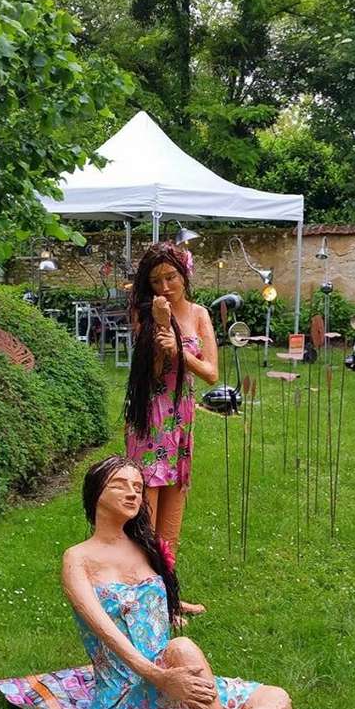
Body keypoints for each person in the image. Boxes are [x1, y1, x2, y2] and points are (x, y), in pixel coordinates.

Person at [61, 455, 293, 709]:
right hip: (125, 701)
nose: (133, 493)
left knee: (276, 700)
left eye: (138, 487)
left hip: (172, 684)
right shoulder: (78, 558)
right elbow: (104, 627)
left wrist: (178, 609)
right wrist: (160, 676)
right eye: (120, 485)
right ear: (95, 493)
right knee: (182, 647)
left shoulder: (144, 547)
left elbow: (148, 600)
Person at [123, 242, 218, 617]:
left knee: (172, 522)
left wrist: (180, 350)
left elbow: (211, 373)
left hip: (180, 422)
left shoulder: (199, 314)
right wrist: (161, 325)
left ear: (184, 275)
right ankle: (142, 601)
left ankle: (169, 599)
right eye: (155, 280)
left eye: (171, 277)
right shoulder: (144, 314)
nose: (164, 286)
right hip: (150, 420)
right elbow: (153, 372)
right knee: (144, 519)